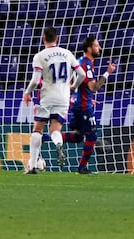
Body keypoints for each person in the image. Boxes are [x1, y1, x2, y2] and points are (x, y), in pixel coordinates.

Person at [23, 26, 85, 174]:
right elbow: (81, 74)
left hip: (47, 97)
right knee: (55, 130)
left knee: (37, 130)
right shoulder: (67, 53)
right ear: (57, 38)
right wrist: (73, 87)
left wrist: (27, 92)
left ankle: (32, 166)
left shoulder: (40, 56)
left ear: (43, 38)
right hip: (63, 98)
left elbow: (35, 80)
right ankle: (58, 143)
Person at [64, 35, 116, 174]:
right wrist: (107, 73)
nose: (99, 48)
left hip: (80, 103)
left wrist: (81, 97)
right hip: (83, 107)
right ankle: (82, 168)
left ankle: (45, 138)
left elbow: (73, 84)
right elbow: (94, 87)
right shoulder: (85, 64)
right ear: (89, 48)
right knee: (92, 136)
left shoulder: (81, 62)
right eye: (96, 45)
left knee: (78, 136)